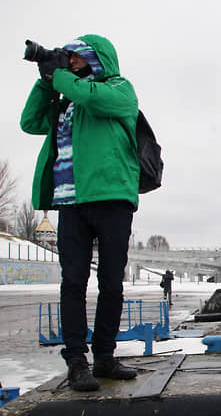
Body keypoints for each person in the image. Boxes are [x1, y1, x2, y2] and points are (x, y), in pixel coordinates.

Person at [21, 35, 139, 391]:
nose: (69, 62)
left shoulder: (118, 89)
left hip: (112, 197)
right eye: (66, 58)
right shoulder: (66, 100)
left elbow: (91, 97)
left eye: (75, 57)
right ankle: (76, 362)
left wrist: (59, 77)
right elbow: (29, 121)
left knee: (111, 282)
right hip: (71, 202)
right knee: (73, 282)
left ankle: (104, 356)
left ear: (95, 58)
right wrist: (44, 82)